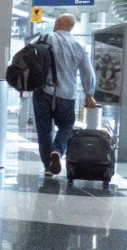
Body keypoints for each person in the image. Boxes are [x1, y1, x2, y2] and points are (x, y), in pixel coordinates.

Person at [34, 13, 97, 177]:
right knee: (66, 127)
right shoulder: (79, 45)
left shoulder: (44, 38)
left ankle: (47, 166)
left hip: (43, 91)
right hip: (67, 94)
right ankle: (57, 151)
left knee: (44, 130)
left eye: (56, 21)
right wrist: (89, 94)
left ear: (59, 23)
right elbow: (87, 72)